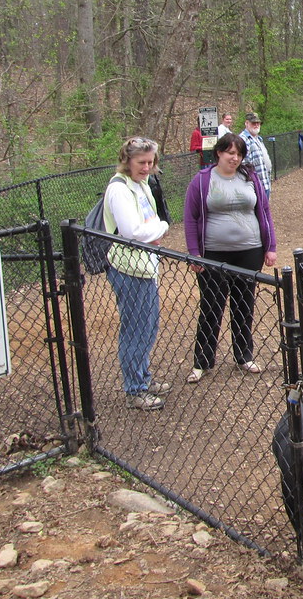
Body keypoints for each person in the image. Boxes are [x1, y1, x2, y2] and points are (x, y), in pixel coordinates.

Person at [183, 133, 277, 383]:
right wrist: (195, 253)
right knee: (211, 306)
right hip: (213, 253)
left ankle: (244, 355)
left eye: (239, 154)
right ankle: (202, 361)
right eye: (230, 153)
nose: (234, 158)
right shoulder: (202, 180)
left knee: (244, 304)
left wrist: (271, 246)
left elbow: (264, 211)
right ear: (218, 154)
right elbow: (191, 218)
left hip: (250, 250)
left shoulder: (250, 177)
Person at [103, 137, 171, 411]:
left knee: (149, 325)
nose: (146, 167)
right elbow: (133, 232)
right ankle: (135, 389)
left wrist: (154, 228)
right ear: (127, 161)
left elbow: (148, 222)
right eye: (141, 162)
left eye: (150, 162)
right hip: (128, 268)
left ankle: (143, 377)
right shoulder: (119, 189)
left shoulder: (141, 185)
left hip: (145, 265)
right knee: (136, 329)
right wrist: (162, 228)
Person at [240, 113, 272, 199]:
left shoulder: (258, 139)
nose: (256, 125)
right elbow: (243, 164)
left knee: (264, 210)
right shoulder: (243, 139)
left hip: (265, 182)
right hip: (255, 186)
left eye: (258, 123)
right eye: (253, 123)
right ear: (246, 123)